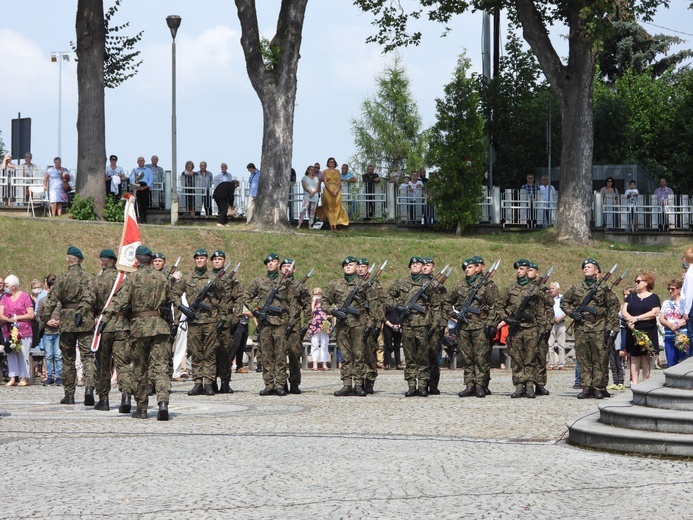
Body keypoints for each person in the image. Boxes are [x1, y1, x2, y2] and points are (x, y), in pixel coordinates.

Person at [101, 246, 173, 420]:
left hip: (140, 328)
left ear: (137, 260)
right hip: (160, 326)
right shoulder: (163, 277)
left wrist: (104, 320)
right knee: (161, 367)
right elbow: (171, 301)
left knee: (140, 368)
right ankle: (163, 403)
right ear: (150, 259)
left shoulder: (132, 278)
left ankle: (142, 408)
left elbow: (120, 301)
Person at [39, 246, 97, 405]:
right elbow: (95, 300)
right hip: (85, 320)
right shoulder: (90, 277)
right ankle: (89, 388)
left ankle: (69, 394)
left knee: (68, 359)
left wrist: (42, 323)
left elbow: (50, 304)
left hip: (66, 322)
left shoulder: (62, 279)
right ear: (81, 260)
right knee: (88, 357)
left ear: (68, 260)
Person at [561, 259, 620, 399]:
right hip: (582, 327)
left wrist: (610, 326)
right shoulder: (576, 288)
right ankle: (586, 386)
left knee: (600, 358)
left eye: (589, 267)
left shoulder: (604, 288)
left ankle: (598, 387)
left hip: (599, 326)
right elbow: (564, 302)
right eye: (584, 267)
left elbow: (613, 307)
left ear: (596, 271)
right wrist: (571, 313)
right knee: (583, 358)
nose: (586, 269)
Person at [173, 249, 225, 396]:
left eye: (202, 258)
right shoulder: (188, 278)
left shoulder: (213, 278)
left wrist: (221, 315)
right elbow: (174, 293)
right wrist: (183, 308)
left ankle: (208, 383)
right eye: (197, 258)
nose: (200, 260)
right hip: (194, 321)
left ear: (206, 260)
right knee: (195, 352)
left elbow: (223, 297)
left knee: (209, 352)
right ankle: (197, 382)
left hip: (210, 321)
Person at [387, 257, 442, 397]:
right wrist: (398, 307)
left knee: (423, 355)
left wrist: (435, 323)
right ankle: (411, 385)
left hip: (423, 323)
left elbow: (436, 305)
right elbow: (387, 296)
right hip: (407, 323)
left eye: (418, 264)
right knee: (410, 355)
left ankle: (423, 385)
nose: (415, 266)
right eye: (413, 264)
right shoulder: (402, 282)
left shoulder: (429, 283)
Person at [243, 253, 296, 395]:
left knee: (280, 354)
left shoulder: (285, 282)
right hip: (265, 323)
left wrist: (291, 322)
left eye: (273, 262)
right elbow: (246, 296)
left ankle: (280, 384)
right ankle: (269, 384)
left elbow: (293, 304)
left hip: (280, 322)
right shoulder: (259, 281)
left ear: (278, 264)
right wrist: (255, 310)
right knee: (266, 355)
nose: (271, 264)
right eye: (268, 262)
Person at [495, 259, 550, 398]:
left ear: (527, 270)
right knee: (517, 358)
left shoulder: (535, 289)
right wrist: (506, 319)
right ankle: (519, 386)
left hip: (531, 327)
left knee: (531, 357)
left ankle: (530, 385)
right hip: (515, 328)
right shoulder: (510, 289)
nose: (519, 271)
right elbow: (499, 306)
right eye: (517, 269)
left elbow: (540, 311)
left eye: (522, 268)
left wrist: (543, 329)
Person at [449, 257, 497, 398]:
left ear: (477, 268)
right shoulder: (460, 286)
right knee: (467, 358)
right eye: (466, 268)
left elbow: (496, 305)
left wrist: (490, 323)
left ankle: (480, 385)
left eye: (470, 267)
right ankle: (469, 384)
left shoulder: (486, 285)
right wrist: (453, 314)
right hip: (464, 326)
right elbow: (446, 301)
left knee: (480, 358)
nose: (467, 270)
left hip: (480, 325)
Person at [324, 256, 372, 396]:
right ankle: (346, 384)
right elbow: (325, 301)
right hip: (342, 325)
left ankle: (358, 384)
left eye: (351, 265)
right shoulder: (336, 284)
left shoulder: (364, 285)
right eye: (346, 265)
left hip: (359, 323)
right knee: (345, 356)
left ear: (357, 267)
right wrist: (334, 311)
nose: (348, 267)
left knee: (358, 355)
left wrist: (371, 324)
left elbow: (374, 306)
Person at [93, 249, 132, 412]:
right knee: (122, 363)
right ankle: (126, 396)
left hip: (104, 325)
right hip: (123, 325)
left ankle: (104, 399)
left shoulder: (98, 280)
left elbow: (91, 301)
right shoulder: (125, 280)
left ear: (102, 262)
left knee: (103, 364)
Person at [210, 250, 243, 394]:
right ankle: (211, 382)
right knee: (210, 352)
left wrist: (236, 318)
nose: (217, 261)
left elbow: (239, 298)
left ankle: (225, 382)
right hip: (210, 321)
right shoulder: (208, 277)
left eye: (220, 259)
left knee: (225, 352)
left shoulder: (231, 280)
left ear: (224, 261)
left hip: (227, 321)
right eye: (215, 259)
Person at [621, 272, 661, 385]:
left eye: (639, 281)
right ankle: (634, 383)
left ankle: (645, 383)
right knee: (633, 357)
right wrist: (630, 320)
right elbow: (624, 310)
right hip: (632, 329)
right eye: (636, 281)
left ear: (647, 283)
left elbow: (654, 312)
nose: (636, 283)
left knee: (645, 357)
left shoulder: (654, 297)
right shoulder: (631, 296)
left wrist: (637, 318)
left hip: (647, 329)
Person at [0, 275, 34, 387]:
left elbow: (31, 314)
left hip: (23, 330)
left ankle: (23, 377)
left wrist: (17, 318)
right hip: (9, 330)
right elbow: (1, 314)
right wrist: (8, 319)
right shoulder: (5, 297)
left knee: (23, 353)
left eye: (7, 285)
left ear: (13, 286)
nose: (5, 287)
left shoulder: (24, 296)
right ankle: (13, 376)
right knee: (11, 353)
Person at [358, 258, 383, 394]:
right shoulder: (354, 284)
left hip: (371, 323)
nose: (361, 269)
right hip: (357, 323)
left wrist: (378, 324)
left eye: (363, 266)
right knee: (358, 354)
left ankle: (370, 380)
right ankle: (359, 381)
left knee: (370, 354)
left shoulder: (374, 284)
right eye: (359, 266)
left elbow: (380, 305)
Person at [422, 257, 446, 395]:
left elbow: (445, 305)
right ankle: (422, 383)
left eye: (428, 265)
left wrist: (442, 323)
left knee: (433, 354)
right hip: (420, 324)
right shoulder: (416, 284)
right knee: (421, 355)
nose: (425, 267)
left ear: (433, 268)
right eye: (423, 265)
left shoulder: (439, 285)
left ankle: (433, 384)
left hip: (434, 324)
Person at [35, 275, 62, 386]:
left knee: (59, 355)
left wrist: (60, 322)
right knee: (49, 355)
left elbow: (66, 313)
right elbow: (37, 315)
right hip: (47, 332)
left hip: (58, 331)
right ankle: (49, 375)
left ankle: (59, 376)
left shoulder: (61, 301)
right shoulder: (42, 301)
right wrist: (46, 322)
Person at [659, 278, 689, 367]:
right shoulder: (666, 303)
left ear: (679, 289)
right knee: (671, 362)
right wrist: (669, 324)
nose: (670, 291)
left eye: (673, 289)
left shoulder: (685, 302)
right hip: (669, 334)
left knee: (684, 360)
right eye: (669, 289)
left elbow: (688, 317)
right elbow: (661, 318)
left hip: (682, 334)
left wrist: (679, 324)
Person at [315, 158, 349, 231]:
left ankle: (335, 226)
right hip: (328, 190)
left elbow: (339, 181)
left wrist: (336, 190)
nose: (331, 163)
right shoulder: (325, 171)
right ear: (327, 163)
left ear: (334, 163)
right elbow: (325, 181)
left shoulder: (337, 171)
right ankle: (331, 226)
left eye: (332, 162)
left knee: (336, 207)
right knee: (330, 208)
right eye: (330, 162)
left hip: (336, 189)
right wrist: (330, 191)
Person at [307, 288, 331, 371]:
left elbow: (332, 313)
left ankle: (324, 363)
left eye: (318, 295)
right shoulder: (312, 304)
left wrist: (327, 317)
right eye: (315, 295)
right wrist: (313, 302)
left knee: (324, 345)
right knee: (314, 344)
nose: (316, 297)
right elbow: (310, 312)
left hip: (324, 326)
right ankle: (315, 363)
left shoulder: (325, 304)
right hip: (314, 326)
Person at [547, 282, 567, 370]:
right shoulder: (548, 299)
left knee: (561, 344)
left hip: (561, 322)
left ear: (558, 290)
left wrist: (561, 317)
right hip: (551, 322)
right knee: (550, 344)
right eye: (550, 288)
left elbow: (567, 309)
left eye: (553, 288)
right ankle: (550, 364)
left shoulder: (563, 298)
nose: (551, 290)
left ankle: (561, 364)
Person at [129, 157, 152, 223]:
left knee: (144, 204)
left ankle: (143, 219)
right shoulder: (134, 170)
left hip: (145, 187)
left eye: (142, 161)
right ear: (137, 162)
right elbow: (131, 179)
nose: (141, 162)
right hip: (136, 186)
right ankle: (137, 219)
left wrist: (145, 187)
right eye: (139, 161)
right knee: (136, 203)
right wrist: (137, 186)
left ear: (144, 161)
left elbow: (150, 180)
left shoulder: (148, 170)